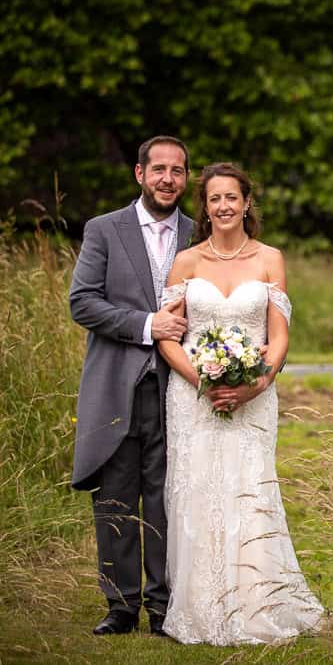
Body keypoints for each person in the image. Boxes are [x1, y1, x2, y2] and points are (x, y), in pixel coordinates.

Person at [156, 162, 324, 645]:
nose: (223, 206)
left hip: (253, 397)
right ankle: (199, 606)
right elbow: (169, 338)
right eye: (214, 199)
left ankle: (259, 602)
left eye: (232, 197)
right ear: (204, 209)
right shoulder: (187, 262)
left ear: (247, 203)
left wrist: (255, 385)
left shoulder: (271, 258)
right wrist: (203, 383)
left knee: (250, 491)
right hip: (193, 397)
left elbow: (279, 337)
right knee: (197, 491)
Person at [69, 135, 193, 636]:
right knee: (116, 495)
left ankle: (166, 606)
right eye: (158, 169)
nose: (168, 178)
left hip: (180, 389)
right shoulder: (103, 230)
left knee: (169, 496)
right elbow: (83, 303)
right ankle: (121, 606)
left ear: (186, 177)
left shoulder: (198, 234)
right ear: (139, 174)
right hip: (117, 385)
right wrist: (148, 326)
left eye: (178, 171)